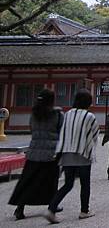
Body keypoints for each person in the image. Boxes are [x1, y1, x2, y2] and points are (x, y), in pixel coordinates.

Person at [46, 89, 99, 223]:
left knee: (68, 184)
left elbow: (62, 131)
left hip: (67, 152)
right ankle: (84, 211)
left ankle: (51, 208)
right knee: (85, 183)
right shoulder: (89, 116)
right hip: (83, 153)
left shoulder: (67, 114)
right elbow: (94, 134)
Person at [9, 89, 63, 220]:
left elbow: (31, 129)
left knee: (28, 180)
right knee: (50, 181)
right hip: (50, 152)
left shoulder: (34, 113)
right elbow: (61, 131)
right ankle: (52, 205)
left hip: (34, 151)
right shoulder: (57, 114)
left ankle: (20, 208)